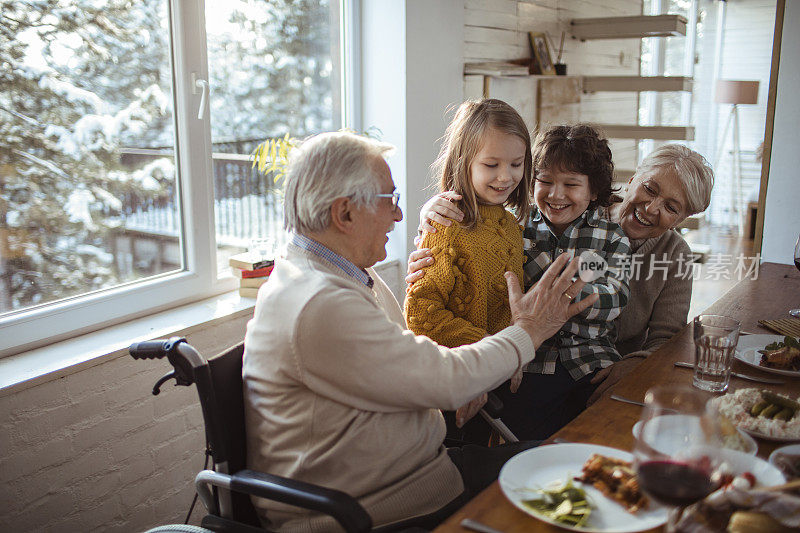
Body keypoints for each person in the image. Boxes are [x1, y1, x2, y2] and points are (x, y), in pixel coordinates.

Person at [242, 131, 598, 532]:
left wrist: (471, 366)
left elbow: (405, 356)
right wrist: (528, 331)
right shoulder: (318, 301)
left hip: (422, 476)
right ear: (344, 215)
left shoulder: (341, 275)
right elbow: (446, 380)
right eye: (388, 201)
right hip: (377, 511)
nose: (399, 215)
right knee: (575, 489)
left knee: (574, 467)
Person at [409, 142, 714, 430]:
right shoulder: (562, 210)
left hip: (602, 365)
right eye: (649, 189)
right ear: (633, 179)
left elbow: (668, 339)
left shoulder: (675, 255)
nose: (651, 207)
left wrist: (635, 365)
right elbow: (478, 241)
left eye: (671, 207)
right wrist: (434, 226)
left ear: (683, 218)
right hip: (535, 357)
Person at [403, 99, 531, 442]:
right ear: (464, 162)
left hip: (497, 374)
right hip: (457, 379)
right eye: (491, 164)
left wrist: (512, 356)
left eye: (516, 164)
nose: (506, 176)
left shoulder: (510, 224)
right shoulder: (446, 223)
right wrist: (491, 350)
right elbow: (422, 315)